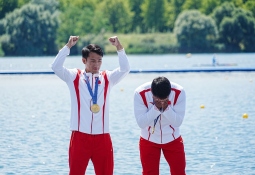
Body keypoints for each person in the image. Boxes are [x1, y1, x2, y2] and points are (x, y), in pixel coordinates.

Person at [51, 35, 130, 175]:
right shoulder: (74, 77)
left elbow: (125, 69)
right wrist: (68, 46)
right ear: (84, 60)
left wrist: (119, 47)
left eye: (99, 61)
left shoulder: (108, 78)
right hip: (80, 137)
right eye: (92, 61)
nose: (96, 64)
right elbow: (56, 66)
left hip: (103, 137)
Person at [133, 76, 186, 175]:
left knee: (179, 172)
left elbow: (178, 122)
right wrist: (156, 108)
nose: (161, 102)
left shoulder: (179, 92)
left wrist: (166, 108)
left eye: (165, 99)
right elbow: (141, 123)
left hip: (173, 139)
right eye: (158, 99)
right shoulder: (140, 93)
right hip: (148, 139)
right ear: (152, 93)